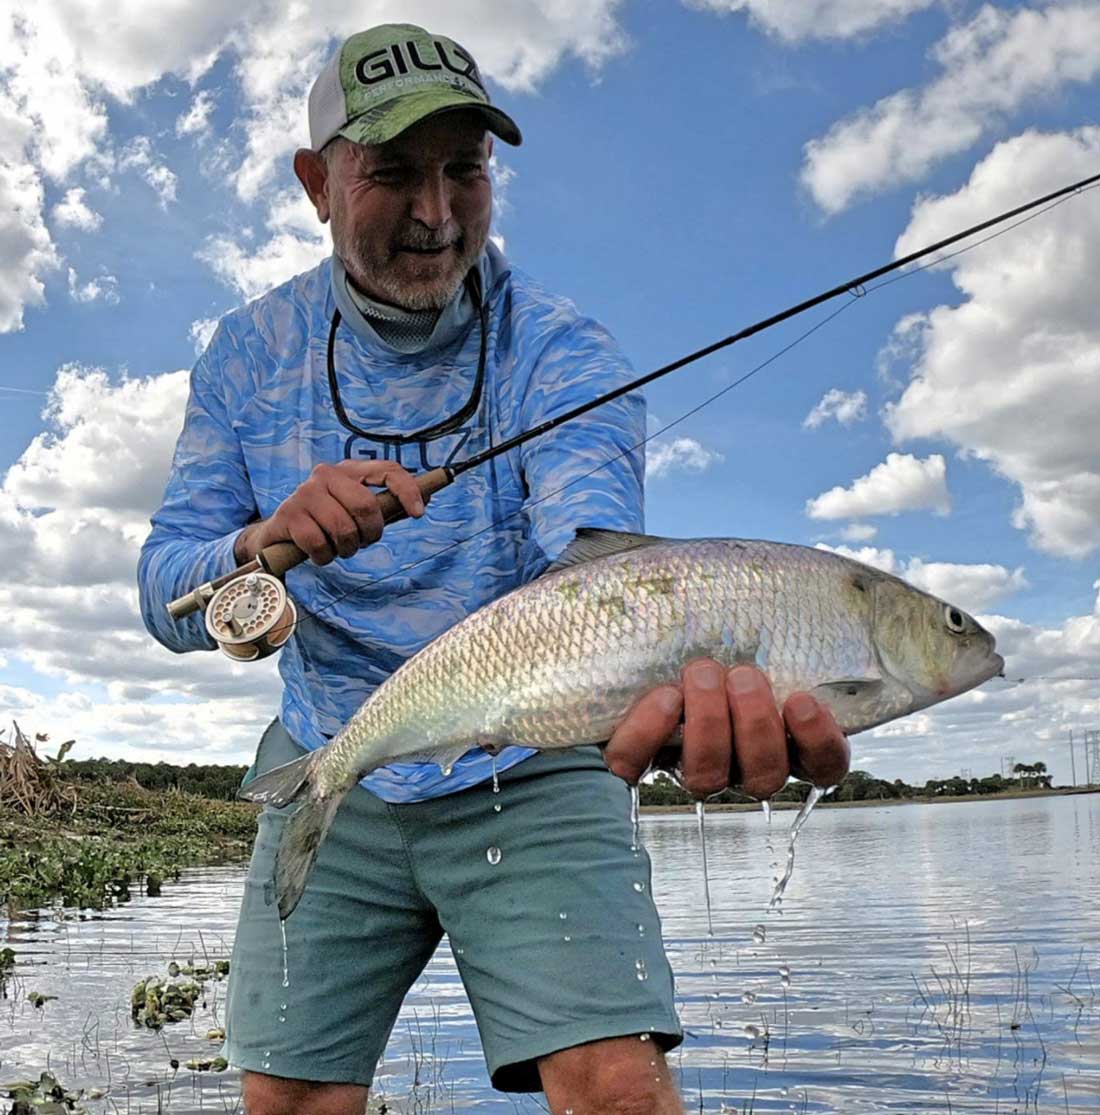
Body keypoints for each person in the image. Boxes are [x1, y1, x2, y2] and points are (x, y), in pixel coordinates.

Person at [138, 22, 849, 1115]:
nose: (435, 213)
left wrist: (681, 683)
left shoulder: (565, 351)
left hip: (534, 752)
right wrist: (258, 548)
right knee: (286, 1100)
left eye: (464, 169)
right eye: (392, 173)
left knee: (612, 1084)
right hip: (330, 736)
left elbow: (598, 577)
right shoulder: (246, 352)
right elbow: (164, 589)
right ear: (315, 182)